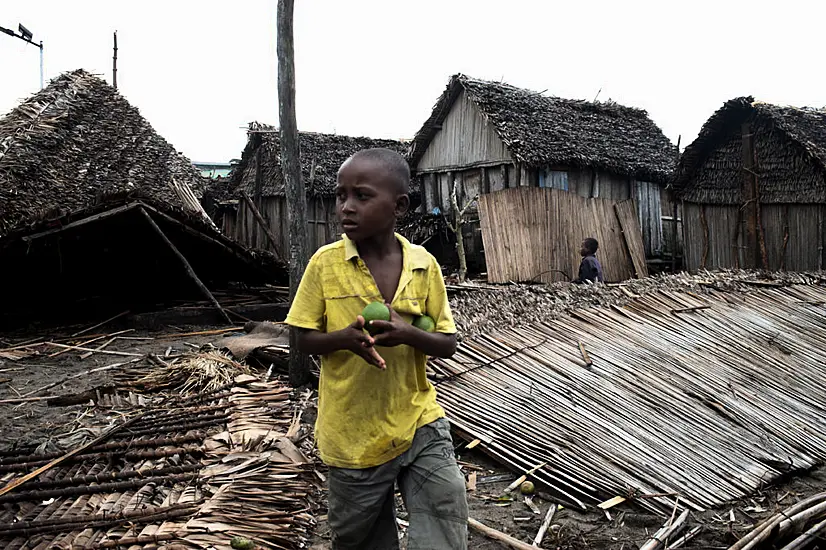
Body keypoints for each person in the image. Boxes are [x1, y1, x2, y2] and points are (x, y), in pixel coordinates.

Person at [285, 148, 468, 550]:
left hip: (418, 414)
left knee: (445, 506)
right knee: (361, 536)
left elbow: (447, 343)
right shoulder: (325, 264)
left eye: (362, 196)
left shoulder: (424, 265)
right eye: (341, 196)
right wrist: (343, 341)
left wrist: (408, 333)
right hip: (353, 430)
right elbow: (298, 338)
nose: (346, 208)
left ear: (399, 205)